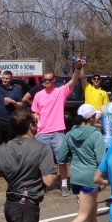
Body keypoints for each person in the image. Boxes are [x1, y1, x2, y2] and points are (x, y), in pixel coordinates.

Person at [47, 104, 112, 222]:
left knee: (92, 211)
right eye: (95, 116)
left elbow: (61, 157)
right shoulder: (96, 135)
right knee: (83, 215)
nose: (96, 118)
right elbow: (102, 162)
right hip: (91, 178)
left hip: (75, 177)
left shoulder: (70, 134)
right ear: (90, 118)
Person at [32, 67, 81, 197]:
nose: (47, 82)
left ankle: (64, 184)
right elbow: (35, 111)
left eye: (49, 79)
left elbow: (73, 80)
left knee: (61, 159)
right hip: (42, 132)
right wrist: (36, 117)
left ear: (54, 80)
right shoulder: (38, 95)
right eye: (45, 80)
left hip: (57, 131)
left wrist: (78, 68)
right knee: (40, 161)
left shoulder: (60, 92)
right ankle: (42, 184)